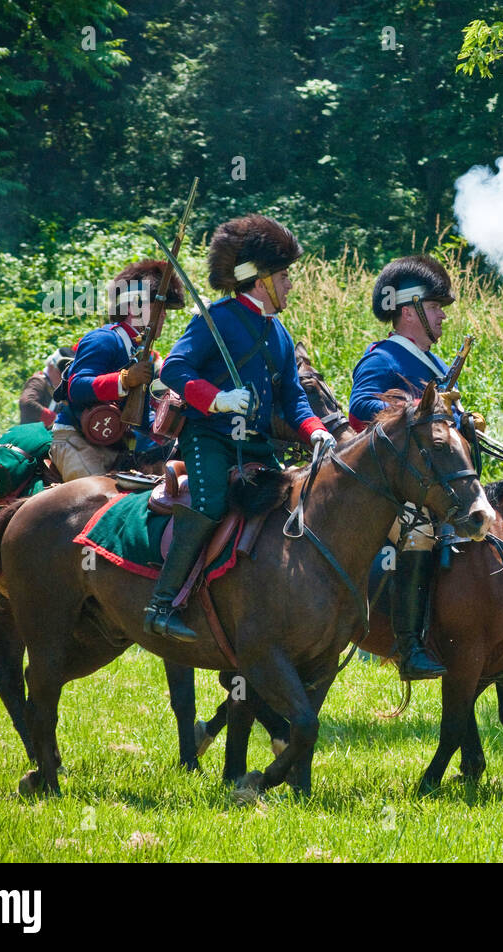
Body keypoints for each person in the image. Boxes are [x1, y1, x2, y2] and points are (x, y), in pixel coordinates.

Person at [145, 214, 329, 642]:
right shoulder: (218, 318)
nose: (289, 285)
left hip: (258, 447)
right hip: (209, 439)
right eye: (284, 276)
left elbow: (293, 399)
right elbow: (174, 368)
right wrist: (217, 400)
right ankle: (162, 603)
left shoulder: (279, 333)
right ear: (261, 279)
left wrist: (314, 430)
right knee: (208, 506)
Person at [347, 255, 457, 679]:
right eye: (435, 308)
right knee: (419, 529)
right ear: (409, 312)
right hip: (395, 487)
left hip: (439, 481)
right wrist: (416, 409)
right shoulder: (383, 359)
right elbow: (360, 409)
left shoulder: (437, 365)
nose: (443, 315)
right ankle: (409, 647)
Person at [49, 262, 183, 481]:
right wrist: (125, 379)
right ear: (133, 307)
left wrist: (169, 426)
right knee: (100, 504)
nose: (164, 316)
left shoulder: (141, 352)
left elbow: (137, 416)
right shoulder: (104, 339)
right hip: (77, 439)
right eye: (158, 308)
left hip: (115, 444)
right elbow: (77, 387)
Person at [19, 347, 74, 427]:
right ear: (51, 366)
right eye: (61, 373)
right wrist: (53, 418)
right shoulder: (39, 381)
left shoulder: (61, 390)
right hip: (28, 435)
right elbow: (26, 403)